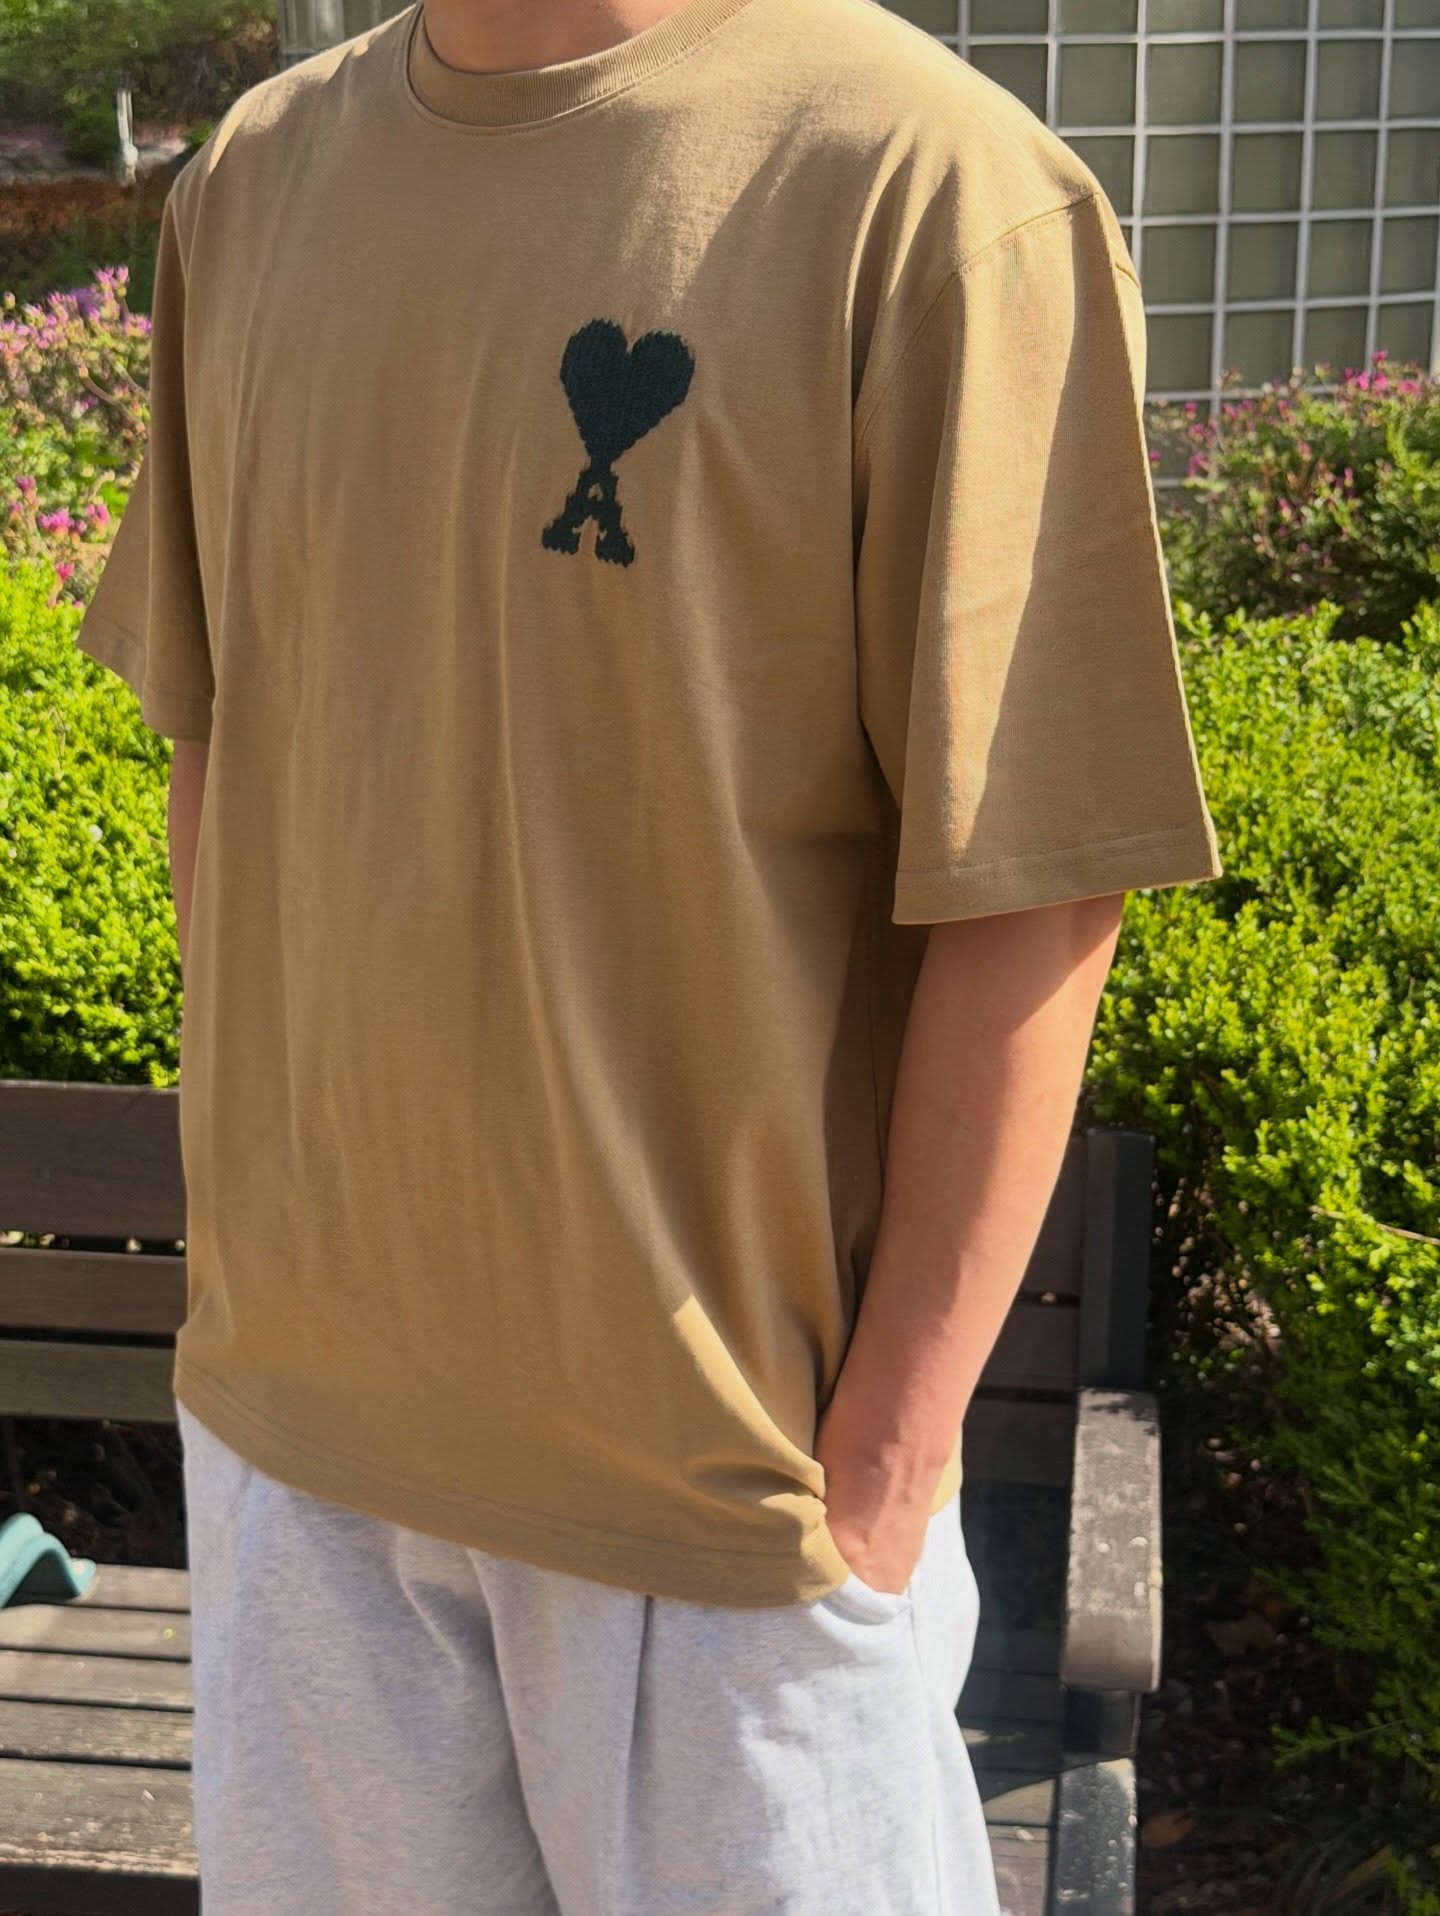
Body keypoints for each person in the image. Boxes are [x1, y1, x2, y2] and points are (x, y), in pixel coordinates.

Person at [74, 0, 1223, 1908]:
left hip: (729, 1517)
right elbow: (223, 747)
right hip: (301, 1461)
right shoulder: (257, 178)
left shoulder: (931, 191)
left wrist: (878, 1475)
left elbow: (1037, 880)